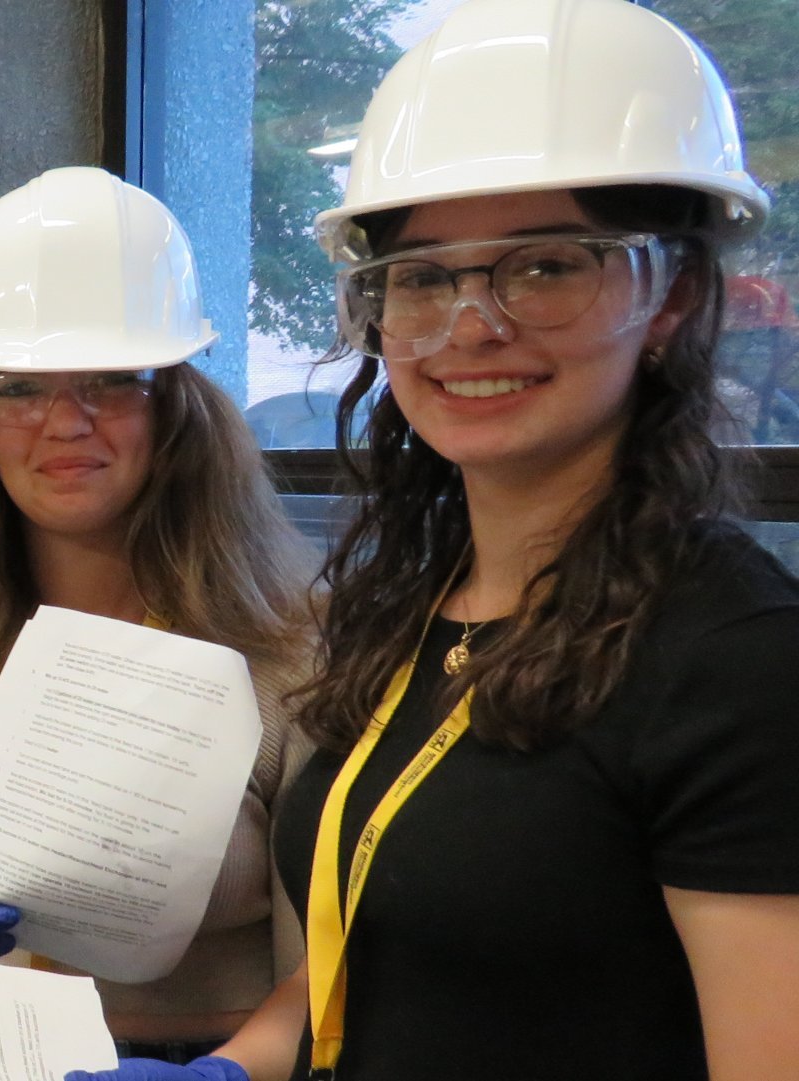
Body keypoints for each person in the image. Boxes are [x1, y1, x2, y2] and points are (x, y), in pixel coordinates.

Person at [77, 2, 799, 1079]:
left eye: (547, 265)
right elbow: (386, 965)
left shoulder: (735, 656)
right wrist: (232, 1066)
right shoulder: (413, 605)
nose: (472, 325)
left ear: (671, 294)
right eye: (422, 277)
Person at [0, 167, 316, 1065]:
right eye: (20, 386)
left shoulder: (287, 661)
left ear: (173, 403)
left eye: (110, 379)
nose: (66, 422)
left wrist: (227, 1072)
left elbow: (324, 972)